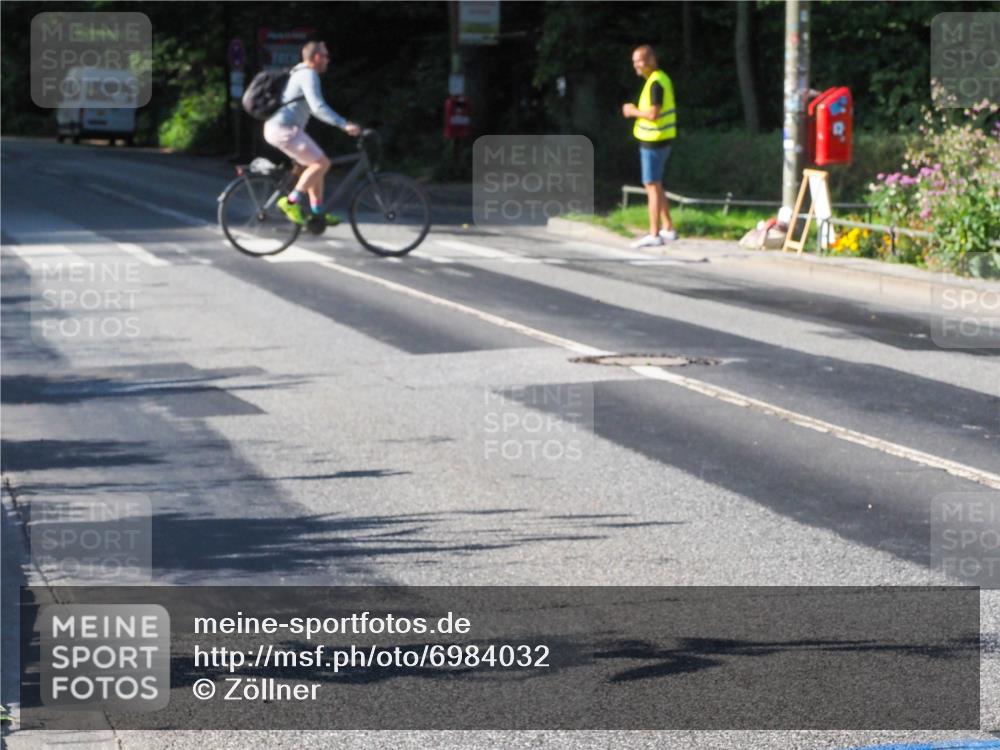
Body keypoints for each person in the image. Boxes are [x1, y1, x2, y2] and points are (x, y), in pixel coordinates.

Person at [263, 40, 362, 226]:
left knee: (316, 166)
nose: (328, 60)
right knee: (322, 163)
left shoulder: (298, 71)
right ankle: (291, 202)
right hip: (284, 130)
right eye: (325, 56)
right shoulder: (308, 74)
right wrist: (344, 124)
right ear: (316, 57)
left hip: (279, 129)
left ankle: (317, 212)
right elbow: (317, 107)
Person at [621, 45, 678, 248]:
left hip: (655, 140)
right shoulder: (657, 80)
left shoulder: (655, 84)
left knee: (651, 186)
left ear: (651, 60)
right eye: (634, 61)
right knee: (656, 184)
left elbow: (654, 114)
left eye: (640, 60)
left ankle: (654, 233)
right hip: (659, 139)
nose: (636, 65)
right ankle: (668, 228)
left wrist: (632, 111)